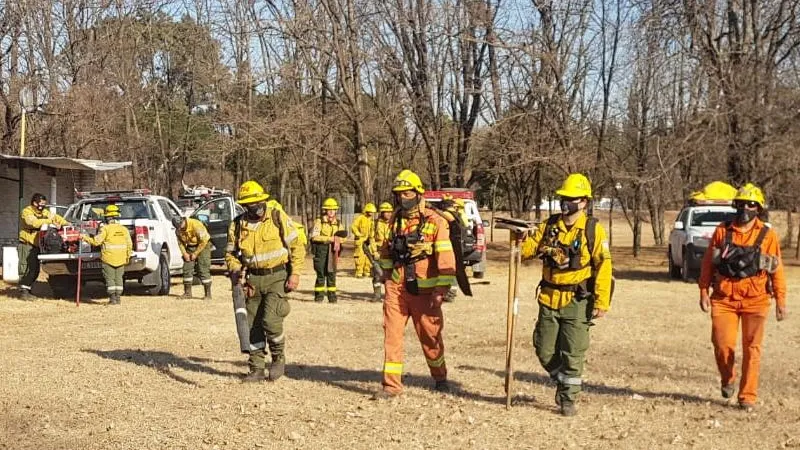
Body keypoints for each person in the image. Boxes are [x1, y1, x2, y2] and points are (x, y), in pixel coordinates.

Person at [520, 173, 613, 416]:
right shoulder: (549, 225)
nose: (565, 202)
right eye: (563, 197)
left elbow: (604, 266)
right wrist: (520, 239)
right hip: (549, 298)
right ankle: (564, 381)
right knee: (543, 348)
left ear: (583, 202)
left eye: (571, 198)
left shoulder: (593, 230)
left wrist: (602, 301)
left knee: (573, 352)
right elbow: (527, 251)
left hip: (577, 300)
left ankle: (568, 399)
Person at [699, 183, 787, 411]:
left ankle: (747, 396)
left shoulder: (768, 235)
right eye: (741, 204)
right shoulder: (722, 231)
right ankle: (728, 379)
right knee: (722, 344)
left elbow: (776, 269)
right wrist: (703, 291)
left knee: (752, 349)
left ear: (758, 208)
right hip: (724, 298)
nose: (745, 208)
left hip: (756, 299)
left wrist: (780, 300)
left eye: (751, 204)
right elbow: (708, 263)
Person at [373, 170, 456, 399]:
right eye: (399, 194)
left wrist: (441, 290)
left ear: (419, 193)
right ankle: (391, 386)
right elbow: (386, 251)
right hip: (397, 288)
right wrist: (386, 274)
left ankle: (440, 377)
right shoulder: (395, 220)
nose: (403, 198)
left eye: (407, 192)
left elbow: (446, 259)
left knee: (430, 338)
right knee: (392, 336)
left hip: (425, 292)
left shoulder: (435, 221)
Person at [225, 181, 306, 382]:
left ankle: (278, 357)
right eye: (250, 204)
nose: (255, 207)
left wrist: (295, 274)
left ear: (264, 200)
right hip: (253, 280)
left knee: (271, 320)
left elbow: (297, 245)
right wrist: (235, 268)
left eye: (258, 202)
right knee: (252, 325)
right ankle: (256, 368)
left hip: (277, 276)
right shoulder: (237, 224)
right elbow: (230, 254)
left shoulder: (277, 217)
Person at [18, 193, 69, 300]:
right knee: (26, 268)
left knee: (35, 269)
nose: (42, 206)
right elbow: (34, 223)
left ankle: (28, 290)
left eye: (44, 204)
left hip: (38, 246)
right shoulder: (26, 212)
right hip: (27, 244)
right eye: (41, 204)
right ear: (34, 203)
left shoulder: (45, 212)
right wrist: (51, 222)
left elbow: (56, 218)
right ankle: (24, 292)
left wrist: (66, 224)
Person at [80, 205, 133, 305]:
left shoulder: (105, 229)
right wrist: (127, 256)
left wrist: (84, 237)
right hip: (121, 258)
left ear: (108, 217)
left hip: (108, 259)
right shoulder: (124, 229)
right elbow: (129, 244)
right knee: (119, 278)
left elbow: (96, 242)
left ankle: (113, 299)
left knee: (110, 279)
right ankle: (118, 298)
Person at [310, 198, 345, 303]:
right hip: (321, 249)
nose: (331, 211)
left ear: (336, 211)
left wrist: (338, 240)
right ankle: (319, 297)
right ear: (325, 210)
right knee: (320, 273)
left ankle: (332, 298)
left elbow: (343, 237)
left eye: (333, 209)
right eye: (329, 209)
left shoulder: (338, 223)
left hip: (333, 251)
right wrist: (329, 239)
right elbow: (314, 237)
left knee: (331, 274)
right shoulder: (319, 221)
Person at [173, 215, 212, 299]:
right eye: (178, 227)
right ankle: (187, 293)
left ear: (183, 220)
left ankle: (208, 294)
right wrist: (184, 254)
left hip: (203, 245)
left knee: (203, 267)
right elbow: (180, 243)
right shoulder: (178, 230)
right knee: (187, 268)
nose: (180, 228)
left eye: (180, 225)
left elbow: (204, 241)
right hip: (190, 246)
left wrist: (195, 253)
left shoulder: (195, 224)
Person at [369, 202, 394, 302]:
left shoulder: (394, 223)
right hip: (379, 253)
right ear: (382, 213)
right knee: (377, 276)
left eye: (390, 212)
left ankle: (389, 296)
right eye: (386, 212)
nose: (388, 214)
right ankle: (377, 295)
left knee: (390, 276)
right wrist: (374, 251)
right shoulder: (375, 223)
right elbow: (371, 238)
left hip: (390, 253)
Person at [351, 203, 377, 278]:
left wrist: (371, 237)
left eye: (373, 212)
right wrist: (358, 234)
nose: (372, 213)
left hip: (368, 240)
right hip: (360, 240)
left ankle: (367, 271)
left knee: (368, 256)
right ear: (367, 211)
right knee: (360, 256)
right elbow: (353, 226)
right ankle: (359, 272)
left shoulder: (371, 220)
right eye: (371, 212)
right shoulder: (360, 218)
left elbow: (372, 230)